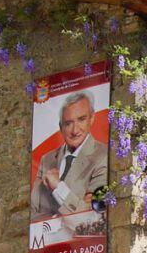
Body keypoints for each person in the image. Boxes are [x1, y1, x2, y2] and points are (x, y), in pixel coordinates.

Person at [30, 91, 108, 220]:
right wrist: (77, 206)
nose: (75, 130)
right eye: (68, 123)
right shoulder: (47, 159)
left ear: (92, 119)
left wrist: (58, 188)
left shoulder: (103, 156)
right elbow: (32, 213)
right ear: (61, 127)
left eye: (81, 119)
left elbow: (93, 217)